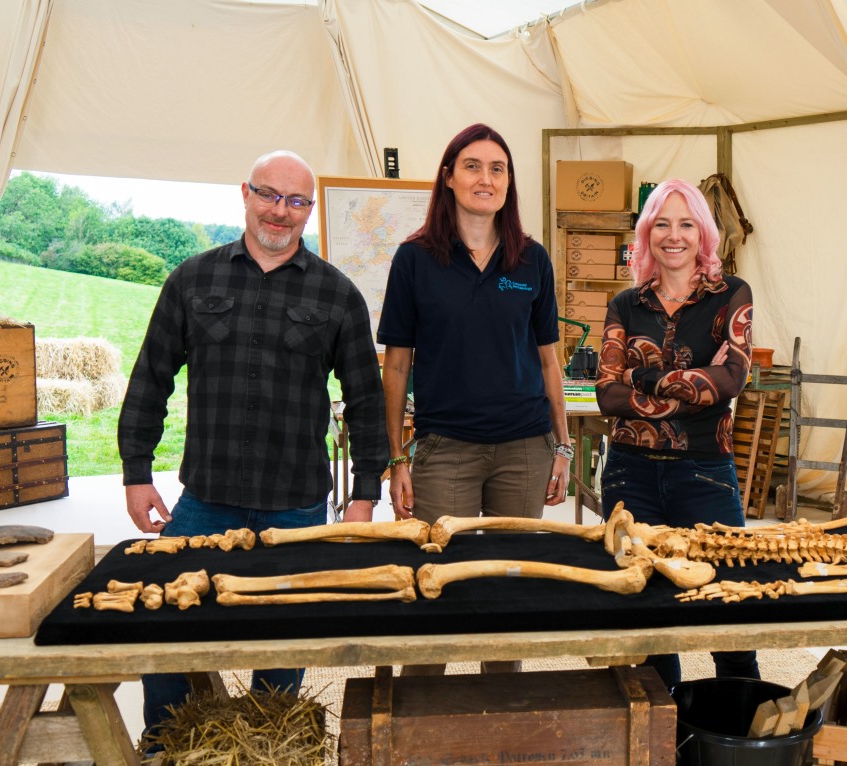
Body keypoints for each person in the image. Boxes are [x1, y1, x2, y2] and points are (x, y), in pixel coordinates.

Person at [117, 149, 386, 739]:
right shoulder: (192, 280)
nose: (280, 212)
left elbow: (367, 400)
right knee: (166, 624)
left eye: (296, 201)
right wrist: (136, 472)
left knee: (283, 639)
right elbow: (150, 379)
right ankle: (164, 742)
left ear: (309, 211)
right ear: (245, 193)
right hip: (206, 499)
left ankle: (269, 745)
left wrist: (365, 493)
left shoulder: (337, 294)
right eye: (269, 195)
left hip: (296, 506)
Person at [376, 124, 572, 674]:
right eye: (472, 166)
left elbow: (549, 361)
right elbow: (397, 366)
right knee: (436, 588)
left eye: (497, 168)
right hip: (446, 451)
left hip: (525, 449)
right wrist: (397, 459)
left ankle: (498, 708)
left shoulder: (531, 260)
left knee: (509, 593)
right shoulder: (414, 259)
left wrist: (562, 447)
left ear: (509, 182)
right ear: (448, 177)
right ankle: (421, 710)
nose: (486, 178)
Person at [595, 178, 761, 689]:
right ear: (647, 233)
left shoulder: (731, 295)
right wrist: (692, 387)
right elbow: (607, 395)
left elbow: (730, 381)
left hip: (705, 471)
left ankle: (735, 723)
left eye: (686, 224)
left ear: (703, 233)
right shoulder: (625, 304)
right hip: (629, 475)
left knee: (730, 610)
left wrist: (641, 377)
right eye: (662, 224)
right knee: (646, 618)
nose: (674, 235)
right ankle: (661, 724)